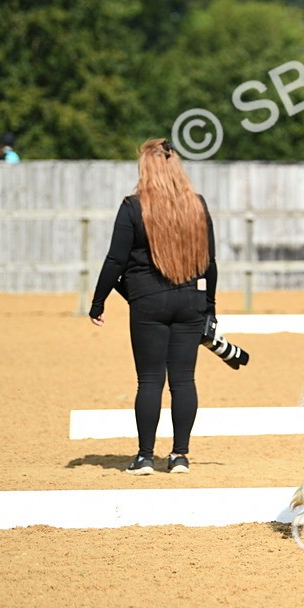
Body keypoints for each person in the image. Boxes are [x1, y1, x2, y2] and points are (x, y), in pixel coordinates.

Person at [89, 138, 217, 475]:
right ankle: (179, 456)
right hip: (191, 301)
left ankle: (145, 456)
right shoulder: (197, 205)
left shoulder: (133, 207)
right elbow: (209, 264)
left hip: (148, 301)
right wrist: (210, 308)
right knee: (184, 380)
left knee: (149, 381)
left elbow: (115, 260)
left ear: (146, 169)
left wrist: (98, 301)